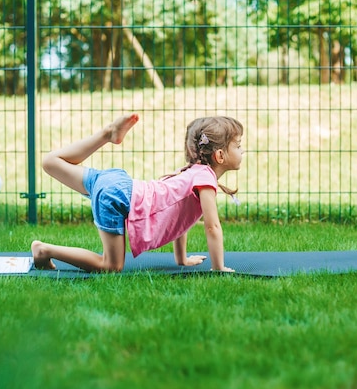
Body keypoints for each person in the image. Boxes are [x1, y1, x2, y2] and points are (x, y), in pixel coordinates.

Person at [31, 113, 244, 273]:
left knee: (51, 162)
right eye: (238, 145)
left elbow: (181, 222)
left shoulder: (191, 173)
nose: (242, 150)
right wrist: (219, 267)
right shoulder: (205, 178)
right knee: (110, 266)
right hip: (121, 197)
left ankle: (107, 135)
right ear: (219, 155)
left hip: (118, 183)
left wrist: (182, 260)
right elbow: (212, 226)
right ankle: (45, 250)